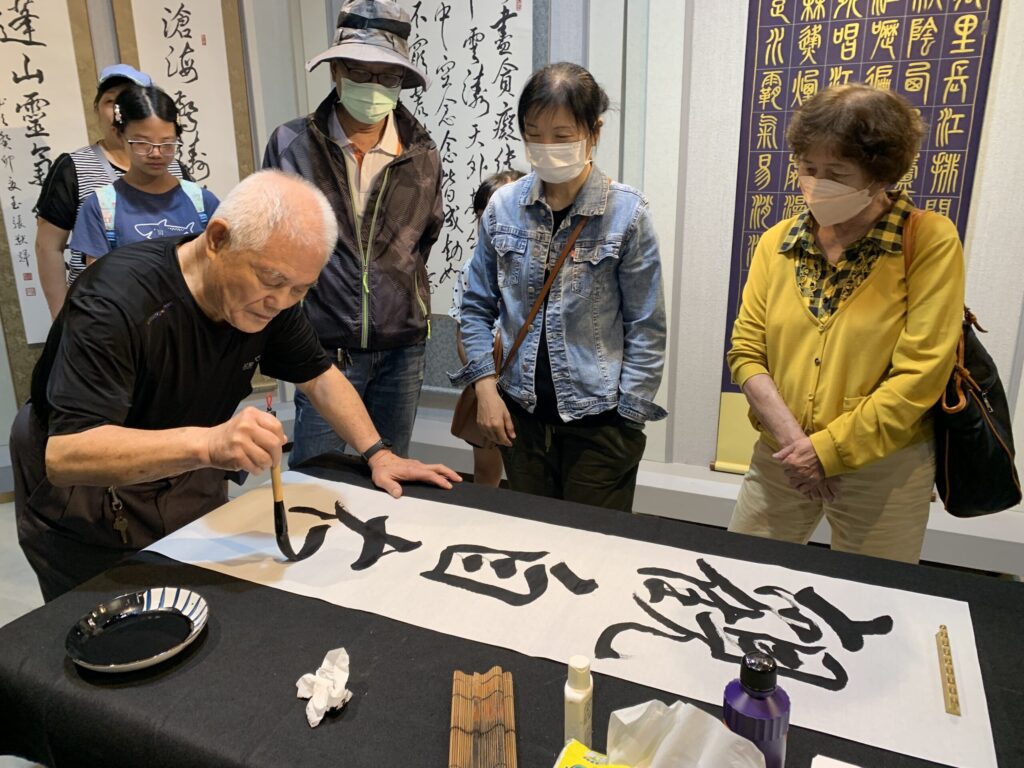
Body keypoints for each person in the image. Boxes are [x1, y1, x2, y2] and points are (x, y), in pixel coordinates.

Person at [10, 170, 460, 602]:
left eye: (300, 289)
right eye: (273, 281)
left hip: (183, 463)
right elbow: (67, 454)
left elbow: (319, 377)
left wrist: (378, 453)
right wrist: (209, 445)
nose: (281, 302)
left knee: (195, 601)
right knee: (110, 625)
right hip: (87, 487)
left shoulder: (273, 302)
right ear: (218, 239)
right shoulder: (116, 299)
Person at [726, 84, 965, 564]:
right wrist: (801, 449)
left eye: (836, 173)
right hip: (783, 457)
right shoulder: (779, 241)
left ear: (880, 176)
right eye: (807, 169)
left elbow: (920, 374)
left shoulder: (928, 241)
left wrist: (828, 452)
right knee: (740, 576)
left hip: (884, 467)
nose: (815, 184)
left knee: (875, 599)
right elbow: (746, 351)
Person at [452, 62, 667, 512]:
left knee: (596, 548)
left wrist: (627, 418)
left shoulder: (627, 213)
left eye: (563, 135)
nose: (547, 148)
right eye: (534, 134)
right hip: (519, 418)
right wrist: (486, 391)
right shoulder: (502, 208)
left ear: (595, 131)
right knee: (534, 538)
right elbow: (474, 307)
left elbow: (646, 326)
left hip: (600, 422)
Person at [263, 0, 441, 465]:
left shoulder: (421, 151)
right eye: (360, 72)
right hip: (323, 345)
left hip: (403, 345)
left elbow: (425, 237)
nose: (373, 86)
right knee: (317, 477)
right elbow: (272, 240)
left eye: (387, 76)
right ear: (336, 72)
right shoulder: (291, 144)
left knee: (390, 472)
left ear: (401, 81)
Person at [33, 64, 191, 317]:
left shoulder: (176, 171)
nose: (119, 110)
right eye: (110, 101)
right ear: (96, 108)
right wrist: (61, 317)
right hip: (102, 314)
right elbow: (48, 247)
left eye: (129, 99)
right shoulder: (73, 167)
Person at [70, 83, 218, 262]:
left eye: (167, 143)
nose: (156, 153)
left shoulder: (203, 202)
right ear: (119, 135)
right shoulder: (101, 207)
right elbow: (98, 284)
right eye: (142, 143)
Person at [450, 170, 524, 487]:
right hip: (488, 379)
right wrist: (483, 381)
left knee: (529, 473)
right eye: (485, 216)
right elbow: (464, 329)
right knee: (486, 467)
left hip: (528, 383)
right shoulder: (471, 269)